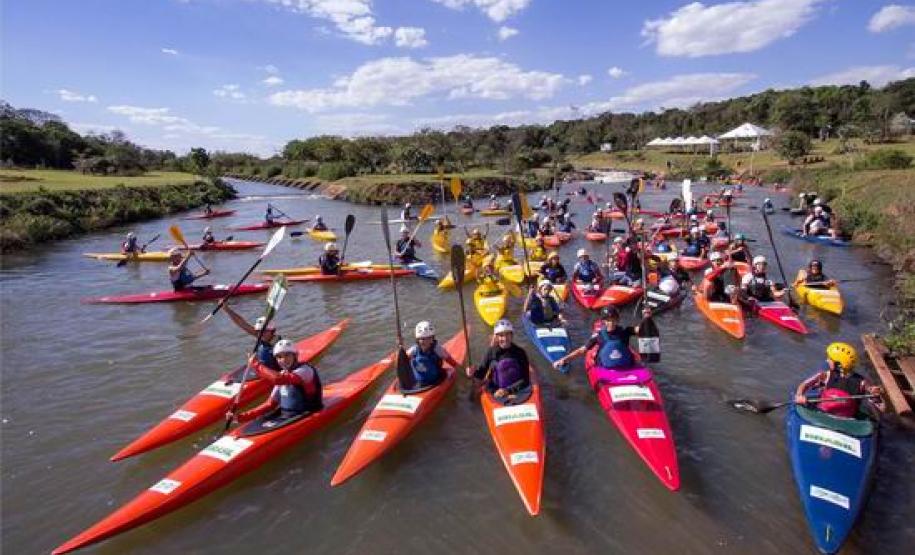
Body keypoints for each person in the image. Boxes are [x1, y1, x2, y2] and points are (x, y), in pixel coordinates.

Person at [227, 340, 322, 425]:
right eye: (279, 357)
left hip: (306, 413)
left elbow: (278, 379)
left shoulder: (305, 371)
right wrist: (241, 417)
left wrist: (256, 364)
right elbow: (270, 404)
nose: (283, 360)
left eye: (287, 355)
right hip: (287, 415)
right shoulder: (281, 374)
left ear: (296, 356)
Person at [794, 342, 884, 418]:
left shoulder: (862, 382)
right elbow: (804, 384)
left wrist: (876, 397)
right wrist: (799, 395)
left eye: (830, 359)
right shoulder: (825, 375)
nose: (827, 360)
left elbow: (882, 408)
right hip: (824, 413)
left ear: (839, 364)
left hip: (847, 419)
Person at [554, 306, 650, 370]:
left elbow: (643, 329)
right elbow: (582, 350)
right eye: (608, 320)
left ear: (618, 320)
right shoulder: (598, 335)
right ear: (603, 321)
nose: (611, 323)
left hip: (626, 366)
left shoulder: (625, 331)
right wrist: (564, 359)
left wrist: (647, 317)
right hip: (605, 367)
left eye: (613, 320)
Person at [467, 319, 531, 401]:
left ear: (512, 335)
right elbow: (481, 374)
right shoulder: (491, 352)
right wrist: (472, 373)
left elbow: (526, 379)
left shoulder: (520, 352)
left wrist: (508, 391)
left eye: (507, 334)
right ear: (496, 337)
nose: (504, 338)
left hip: (517, 390)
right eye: (501, 335)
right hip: (496, 390)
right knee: (471, 398)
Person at [222, 304, 282, 371]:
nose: (261, 334)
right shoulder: (260, 336)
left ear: (272, 331)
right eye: (259, 331)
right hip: (261, 370)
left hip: (273, 373)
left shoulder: (279, 345)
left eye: (265, 331)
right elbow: (242, 324)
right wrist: (227, 310)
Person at [406, 321, 463, 389]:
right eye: (423, 339)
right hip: (419, 381)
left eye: (429, 338)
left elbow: (453, 363)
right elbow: (401, 362)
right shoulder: (413, 350)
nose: (426, 341)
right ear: (418, 340)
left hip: (435, 379)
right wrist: (400, 351)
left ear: (433, 338)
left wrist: (464, 373)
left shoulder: (438, 349)